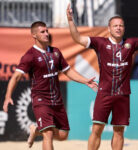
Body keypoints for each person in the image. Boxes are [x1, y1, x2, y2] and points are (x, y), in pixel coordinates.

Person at [66, 2, 138, 150]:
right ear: (109, 28)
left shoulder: (131, 43)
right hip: (104, 93)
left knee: (119, 131)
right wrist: (70, 20)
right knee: (97, 129)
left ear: (124, 28)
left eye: (121, 25)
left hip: (122, 94)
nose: (118, 28)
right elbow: (77, 39)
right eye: (115, 25)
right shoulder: (100, 42)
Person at [2, 21, 98, 150]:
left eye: (47, 31)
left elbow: (68, 71)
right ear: (34, 35)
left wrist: (85, 81)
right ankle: (41, 130)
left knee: (63, 135)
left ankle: (36, 130)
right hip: (41, 99)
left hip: (57, 100)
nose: (46, 34)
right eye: (42, 32)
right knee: (48, 134)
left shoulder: (56, 52)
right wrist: (8, 96)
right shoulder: (30, 56)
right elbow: (16, 77)